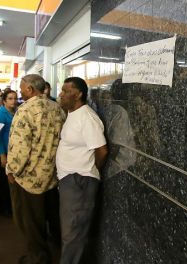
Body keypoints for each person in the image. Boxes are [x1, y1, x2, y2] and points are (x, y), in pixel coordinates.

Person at [7, 74, 65, 264]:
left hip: (30, 179)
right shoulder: (57, 108)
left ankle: (39, 258)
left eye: (22, 88)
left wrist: (12, 170)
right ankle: (58, 247)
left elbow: (20, 147)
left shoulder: (25, 111)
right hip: (52, 175)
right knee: (52, 215)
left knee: (31, 223)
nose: (20, 91)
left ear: (30, 89)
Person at [57, 77, 108, 264]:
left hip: (79, 180)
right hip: (70, 178)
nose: (61, 94)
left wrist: (87, 171)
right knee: (70, 230)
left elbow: (101, 151)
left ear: (78, 94)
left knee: (73, 232)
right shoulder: (72, 113)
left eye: (65, 91)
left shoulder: (87, 117)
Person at [0, 89, 17, 217]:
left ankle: (10, 207)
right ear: (4, 100)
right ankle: (4, 209)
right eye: (10, 98)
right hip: (2, 152)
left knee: (9, 182)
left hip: (11, 151)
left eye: (15, 98)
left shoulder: (14, 112)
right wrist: (2, 156)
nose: (14, 101)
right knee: (2, 183)